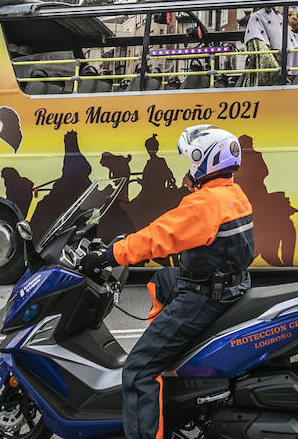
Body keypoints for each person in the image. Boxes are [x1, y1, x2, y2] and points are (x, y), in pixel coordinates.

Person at [81, 125, 255, 439]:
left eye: (192, 160)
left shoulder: (204, 204)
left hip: (206, 294)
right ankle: (173, 356)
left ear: (206, 161)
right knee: (163, 279)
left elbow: (160, 237)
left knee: (139, 367)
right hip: (230, 283)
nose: (189, 167)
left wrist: (110, 254)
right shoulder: (232, 193)